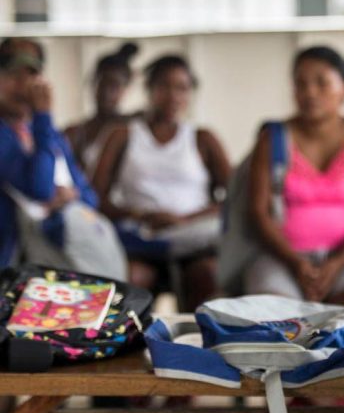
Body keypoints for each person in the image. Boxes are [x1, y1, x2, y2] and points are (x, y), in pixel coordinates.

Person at [246, 46, 344, 306]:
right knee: (273, 315)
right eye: (300, 84)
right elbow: (259, 212)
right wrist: (296, 263)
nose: (310, 92)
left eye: (321, 83)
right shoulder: (272, 139)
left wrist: (336, 264)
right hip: (284, 259)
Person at [92, 55, 231, 310]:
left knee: (207, 275)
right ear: (149, 89)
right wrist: (140, 215)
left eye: (182, 88)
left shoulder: (203, 139)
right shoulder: (122, 135)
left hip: (194, 243)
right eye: (164, 86)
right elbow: (94, 197)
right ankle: (133, 343)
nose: (173, 95)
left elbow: (234, 199)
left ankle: (195, 344)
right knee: (133, 279)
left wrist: (187, 220)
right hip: (141, 241)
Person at [0, 42, 120, 275]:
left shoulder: (47, 135)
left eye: (30, 77)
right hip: (13, 262)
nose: (21, 87)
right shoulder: (15, 132)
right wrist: (43, 116)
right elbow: (40, 188)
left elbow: (89, 199)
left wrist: (70, 196)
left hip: (54, 258)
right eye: (13, 76)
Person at [65, 42, 139, 175]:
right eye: (101, 84)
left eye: (114, 86)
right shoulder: (76, 133)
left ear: (125, 89)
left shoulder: (134, 129)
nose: (106, 92)